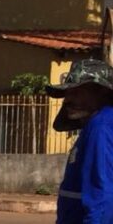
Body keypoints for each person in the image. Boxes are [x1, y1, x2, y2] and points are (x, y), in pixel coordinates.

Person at [49, 59, 113, 224]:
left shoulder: (101, 126)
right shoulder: (96, 125)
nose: (67, 99)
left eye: (76, 92)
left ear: (101, 92)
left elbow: (103, 194)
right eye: (68, 93)